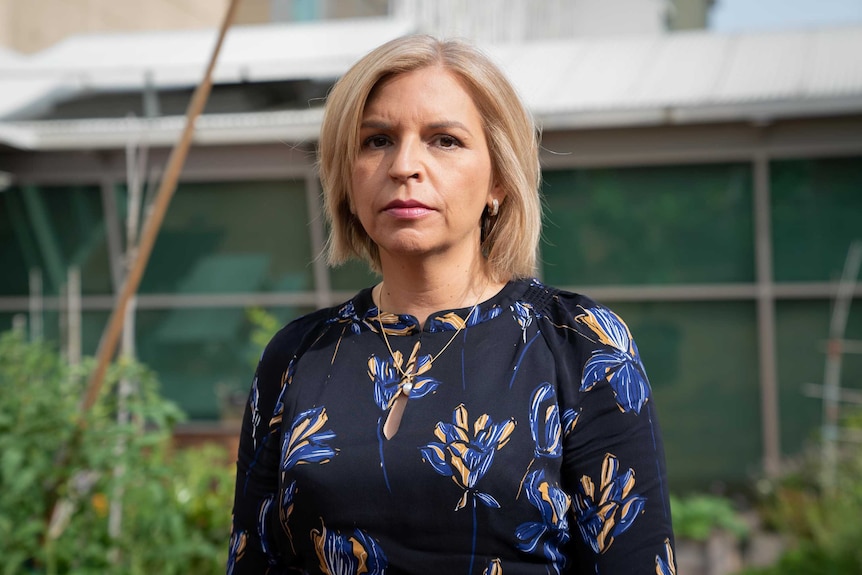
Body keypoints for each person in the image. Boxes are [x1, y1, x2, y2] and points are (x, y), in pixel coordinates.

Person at [228, 34, 676, 574]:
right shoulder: (299, 355)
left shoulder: (580, 345)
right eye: (376, 141)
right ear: (346, 176)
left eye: (443, 140)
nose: (404, 165)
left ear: (499, 181)